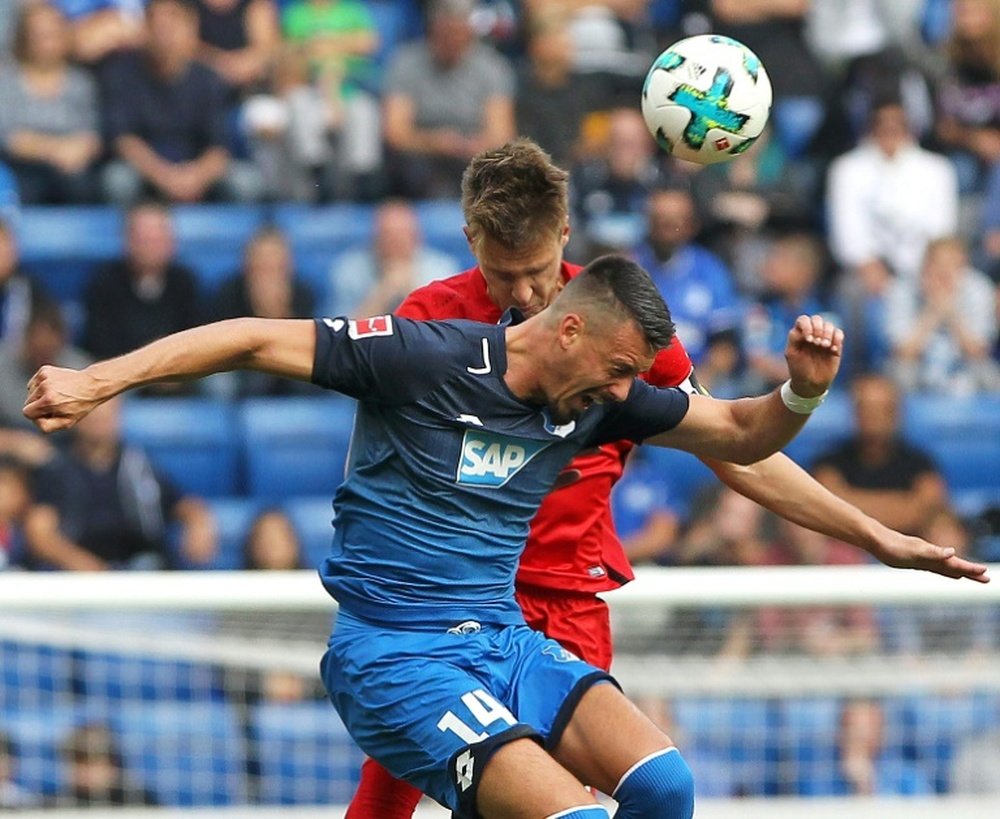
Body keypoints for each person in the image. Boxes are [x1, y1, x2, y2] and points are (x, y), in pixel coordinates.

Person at [24, 245, 858, 817]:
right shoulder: (421, 358)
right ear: (571, 330)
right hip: (393, 657)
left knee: (666, 786)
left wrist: (803, 391)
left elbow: (744, 434)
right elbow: (248, 338)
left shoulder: (599, 399)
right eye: (617, 369)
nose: (625, 392)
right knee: (564, 811)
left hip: (501, 640)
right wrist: (98, 381)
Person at [342, 139, 989, 818]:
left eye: (536, 270)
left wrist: (875, 536)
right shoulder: (427, 320)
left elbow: (737, 448)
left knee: (580, 803)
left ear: (564, 233)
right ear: (470, 237)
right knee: (387, 792)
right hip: (443, 610)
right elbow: (375, 463)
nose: (525, 294)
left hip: (564, 607)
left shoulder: (623, 328)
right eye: (503, 274)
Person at [24, 396, 217, 570]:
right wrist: (80, 563)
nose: (100, 421)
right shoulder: (57, 469)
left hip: (141, 568)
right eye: (92, 414)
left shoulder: (139, 466)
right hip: (79, 577)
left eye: (108, 414)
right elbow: (40, 533)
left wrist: (199, 524)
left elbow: (185, 505)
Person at [101, 0, 262, 204]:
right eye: (156, 26)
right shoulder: (122, 73)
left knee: (246, 182)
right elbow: (124, 140)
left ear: (190, 27)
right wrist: (165, 177)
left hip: (196, 170)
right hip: (147, 171)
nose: (163, 34)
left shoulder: (208, 79)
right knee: (118, 179)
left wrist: (196, 177)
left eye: (171, 25)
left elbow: (219, 147)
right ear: (144, 29)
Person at [382, 0, 515, 198]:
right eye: (447, 34)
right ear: (433, 31)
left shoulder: (492, 67)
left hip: (474, 153)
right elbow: (395, 133)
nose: (453, 41)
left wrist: (472, 146)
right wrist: (435, 142)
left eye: (459, 33)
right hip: (421, 155)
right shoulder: (405, 63)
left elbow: (502, 133)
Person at [812, 373, 949, 536]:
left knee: (945, 532)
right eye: (866, 409)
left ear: (897, 413)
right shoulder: (830, 463)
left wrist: (851, 504)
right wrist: (901, 505)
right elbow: (827, 506)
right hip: (846, 542)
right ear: (855, 413)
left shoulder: (920, 463)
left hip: (908, 541)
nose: (873, 417)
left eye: (882, 409)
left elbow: (927, 508)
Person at [0, 1, 102, 204]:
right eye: (38, 35)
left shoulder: (81, 83)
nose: (46, 43)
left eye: (51, 35)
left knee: (84, 184)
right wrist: (54, 151)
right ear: (24, 38)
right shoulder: (7, 82)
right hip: (22, 168)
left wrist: (77, 151)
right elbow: (8, 137)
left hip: (72, 170)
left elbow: (93, 134)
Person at [82, 201, 202, 369]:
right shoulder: (104, 283)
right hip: (120, 373)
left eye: (159, 238)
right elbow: (100, 342)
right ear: (127, 241)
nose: (152, 247)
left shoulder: (185, 282)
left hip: (179, 371)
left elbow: (197, 338)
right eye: (145, 239)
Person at [885, 235, 1000, 393]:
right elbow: (903, 352)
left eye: (953, 266)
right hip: (917, 368)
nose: (945, 273)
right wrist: (932, 312)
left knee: (989, 375)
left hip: (965, 367)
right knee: (898, 374)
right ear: (925, 266)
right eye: (938, 266)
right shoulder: (902, 289)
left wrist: (951, 312)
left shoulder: (979, 288)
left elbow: (978, 351)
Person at [213, 226, 316, 396]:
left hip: (289, 364)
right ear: (247, 264)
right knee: (221, 384)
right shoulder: (229, 292)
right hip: (241, 365)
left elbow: (305, 346)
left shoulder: (303, 293)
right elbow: (221, 347)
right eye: (262, 264)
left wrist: (280, 314)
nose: (269, 271)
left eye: (276, 264)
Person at [324, 199, 458, 318]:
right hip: (370, 345)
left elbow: (447, 331)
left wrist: (411, 292)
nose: (395, 243)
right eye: (388, 236)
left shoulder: (441, 268)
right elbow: (340, 336)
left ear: (417, 237)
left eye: (402, 235)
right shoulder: (350, 269)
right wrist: (384, 293)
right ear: (375, 237)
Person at [49, 721, 158, 807]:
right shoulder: (52, 805)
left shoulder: (140, 802)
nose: (85, 771)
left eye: (94, 763)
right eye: (79, 762)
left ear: (113, 765)